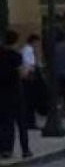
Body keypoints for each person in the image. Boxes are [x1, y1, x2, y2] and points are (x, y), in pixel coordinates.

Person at [0, 30, 32, 158]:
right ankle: (25, 149)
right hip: (15, 92)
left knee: (5, 123)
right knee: (21, 123)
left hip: (2, 92)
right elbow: (22, 73)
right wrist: (28, 69)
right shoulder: (16, 56)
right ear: (16, 41)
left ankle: (6, 149)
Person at [19, 34, 42, 131]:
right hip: (29, 77)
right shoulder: (28, 50)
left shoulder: (26, 49)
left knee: (29, 101)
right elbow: (30, 63)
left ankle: (29, 121)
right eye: (37, 42)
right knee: (30, 101)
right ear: (33, 41)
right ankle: (30, 122)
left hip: (28, 76)